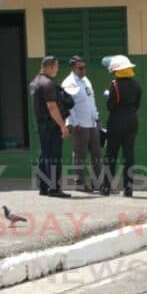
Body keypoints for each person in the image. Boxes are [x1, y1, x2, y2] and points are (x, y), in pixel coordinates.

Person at [100, 55, 141, 197]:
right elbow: (137, 105)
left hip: (116, 121)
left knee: (111, 154)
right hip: (132, 120)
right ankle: (128, 188)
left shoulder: (115, 85)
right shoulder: (136, 85)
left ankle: (106, 186)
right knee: (128, 155)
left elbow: (110, 106)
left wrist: (108, 97)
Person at [29, 56, 70, 197]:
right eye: (56, 66)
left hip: (42, 124)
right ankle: (54, 188)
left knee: (44, 155)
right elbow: (52, 107)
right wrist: (63, 126)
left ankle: (43, 187)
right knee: (54, 156)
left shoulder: (35, 82)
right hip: (52, 125)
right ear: (50, 67)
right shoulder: (48, 84)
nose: (57, 69)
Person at [62, 55, 102, 193]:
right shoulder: (69, 83)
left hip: (91, 123)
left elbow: (92, 101)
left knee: (96, 153)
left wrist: (97, 118)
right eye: (80, 68)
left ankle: (98, 183)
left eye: (85, 67)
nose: (83, 70)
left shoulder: (86, 80)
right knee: (80, 155)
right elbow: (68, 106)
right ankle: (80, 183)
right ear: (73, 68)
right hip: (79, 124)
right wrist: (74, 123)